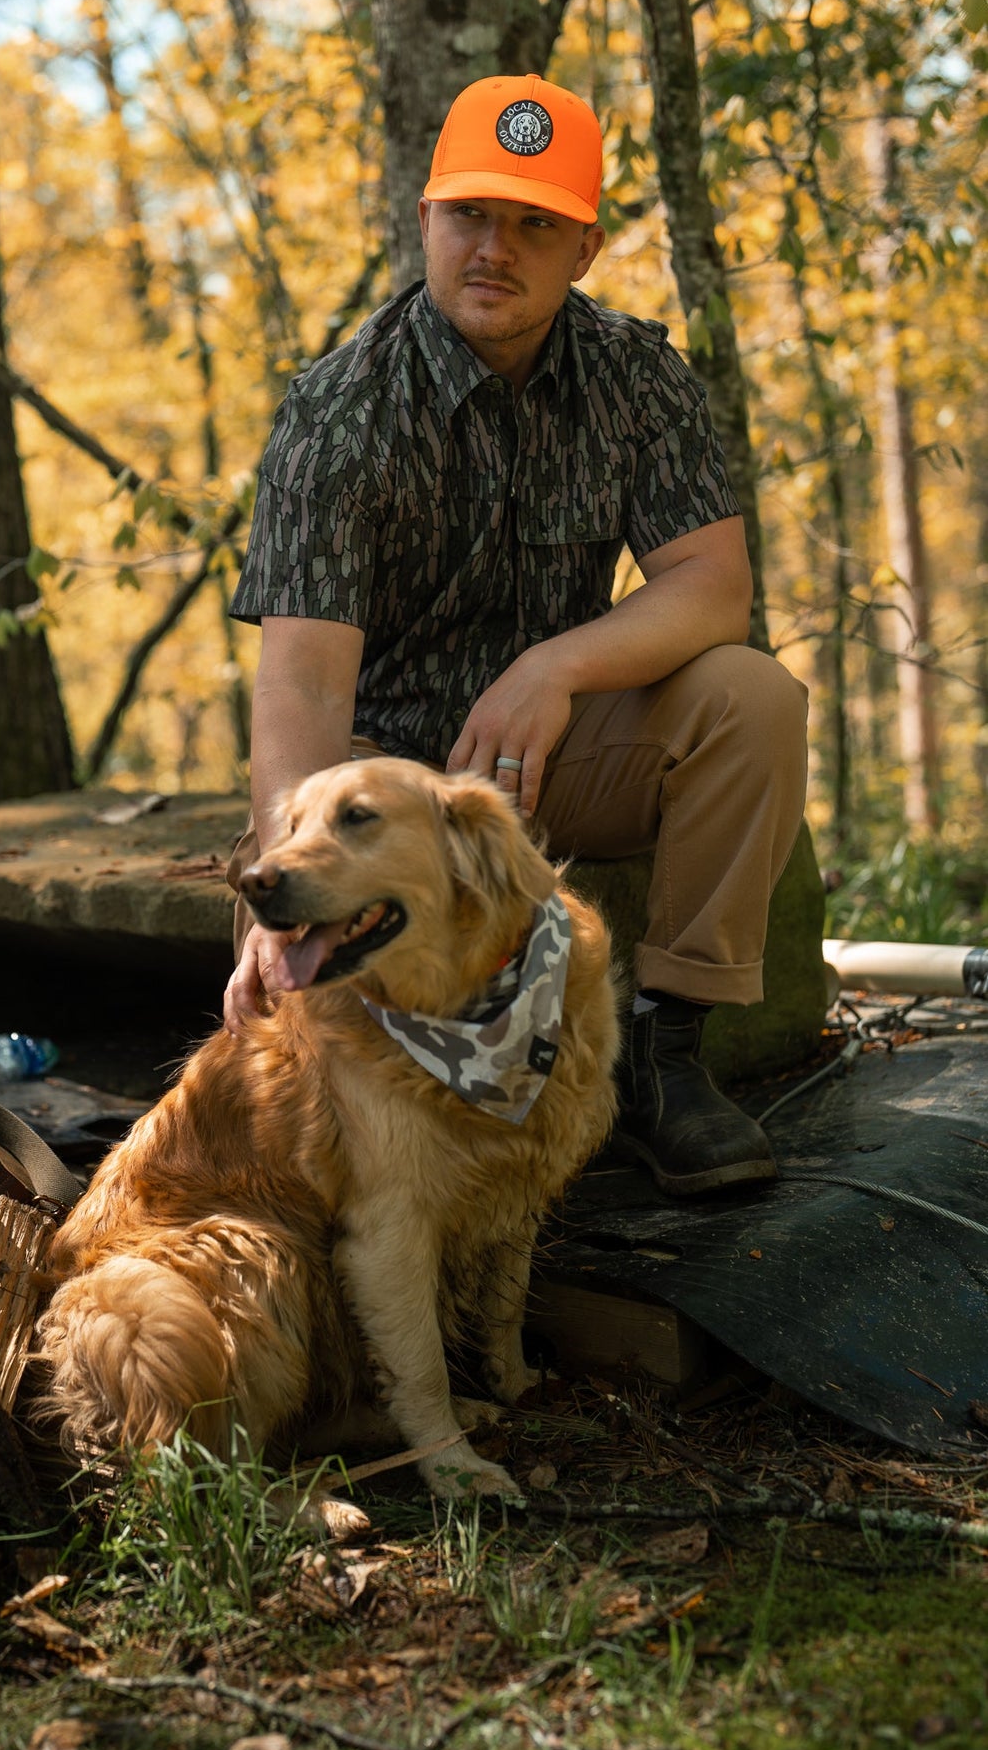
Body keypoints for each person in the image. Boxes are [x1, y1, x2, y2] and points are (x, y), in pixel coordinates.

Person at [223, 72, 809, 1197]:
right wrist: (277, 874)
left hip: (553, 755)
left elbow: (709, 584)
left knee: (750, 695)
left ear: (582, 247)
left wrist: (556, 664)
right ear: (425, 221)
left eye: (533, 223)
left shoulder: (636, 376)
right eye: (471, 215)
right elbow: (299, 684)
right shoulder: (340, 410)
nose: (494, 247)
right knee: (308, 1145)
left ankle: (661, 1058)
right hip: (386, 808)